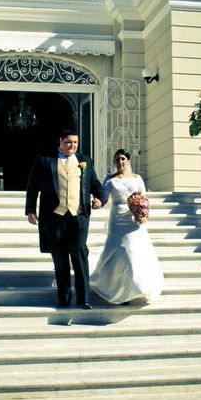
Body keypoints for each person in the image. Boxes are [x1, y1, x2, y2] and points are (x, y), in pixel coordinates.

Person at [25, 129, 107, 309]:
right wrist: (31, 210)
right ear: (60, 141)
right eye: (68, 142)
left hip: (78, 216)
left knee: (80, 255)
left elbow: (94, 184)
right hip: (54, 217)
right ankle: (63, 298)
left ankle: (84, 299)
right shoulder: (45, 160)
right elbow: (32, 186)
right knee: (60, 259)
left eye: (75, 143)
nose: (72, 146)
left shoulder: (85, 160)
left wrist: (101, 199)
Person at [90, 149, 164, 304]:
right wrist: (98, 203)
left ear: (128, 161)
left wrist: (142, 214)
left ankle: (138, 286)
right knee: (119, 252)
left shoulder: (137, 179)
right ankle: (120, 289)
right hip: (117, 218)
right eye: (117, 159)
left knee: (135, 252)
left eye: (123, 159)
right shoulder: (110, 180)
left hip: (134, 219)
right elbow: (103, 197)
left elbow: (143, 198)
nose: (120, 162)